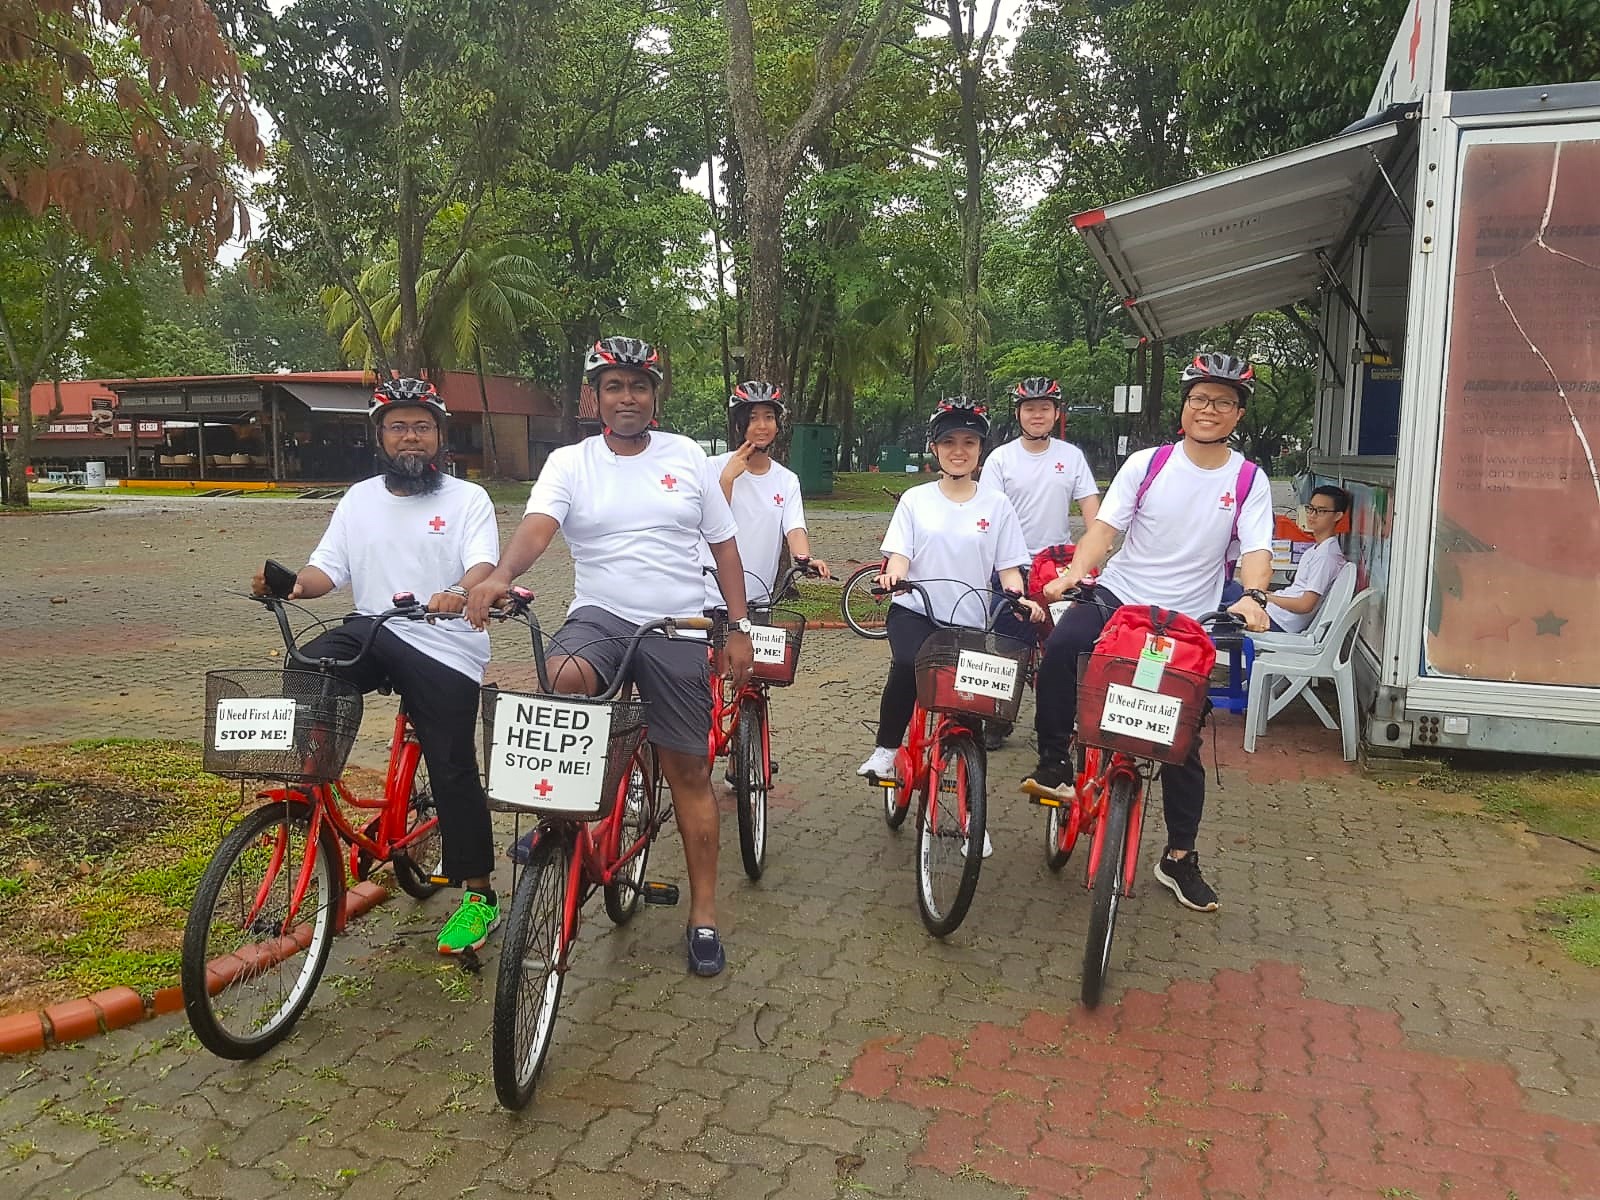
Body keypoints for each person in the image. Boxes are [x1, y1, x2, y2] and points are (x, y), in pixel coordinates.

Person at [465, 336, 754, 978]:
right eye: (615, 386)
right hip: (599, 614)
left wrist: (736, 627)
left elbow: (726, 547)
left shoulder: (687, 457)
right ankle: (563, 814)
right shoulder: (570, 462)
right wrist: (502, 574)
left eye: (640, 386)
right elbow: (538, 528)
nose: (628, 397)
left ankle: (703, 915)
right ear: (593, 397)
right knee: (560, 677)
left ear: (656, 395)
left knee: (690, 773)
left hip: (676, 623)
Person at [251, 377, 502, 956]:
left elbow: (482, 566)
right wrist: (289, 585)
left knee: (452, 765)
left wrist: (456, 591)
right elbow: (326, 574)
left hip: (443, 639)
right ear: (380, 437)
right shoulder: (359, 498)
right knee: (308, 664)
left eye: (421, 426)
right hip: (374, 628)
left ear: (439, 436)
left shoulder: (468, 501)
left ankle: (479, 896)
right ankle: (313, 787)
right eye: (397, 427)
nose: (410, 438)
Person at [1032, 352, 1273, 913]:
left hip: (1187, 622)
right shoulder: (1148, 463)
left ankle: (1179, 859)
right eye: (1199, 399)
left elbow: (1256, 550)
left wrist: (1255, 598)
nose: (1207, 409)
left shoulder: (1248, 479)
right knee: (1065, 647)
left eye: (1222, 402)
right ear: (1184, 406)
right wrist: (1072, 574)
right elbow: (1104, 530)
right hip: (1121, 598)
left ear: (1237, 415)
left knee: (1183, 741)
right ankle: (1052, 763)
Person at [856, 397, 1045, 856]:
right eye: (948, 442)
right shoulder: (916, 501)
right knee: (906, 662)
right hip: (916, 611)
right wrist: (893, 574)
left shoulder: (997, 505)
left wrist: (1021, 598)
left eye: (968, 442)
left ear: (981, 449)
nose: (958, 450)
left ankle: (970, 816)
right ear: (934, 450)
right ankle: (886, 750)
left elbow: (1009, 570)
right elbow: (899, 553)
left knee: (970, 714)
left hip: (970, 619)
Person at [977, 376, 1102, 748]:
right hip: (1011, 566)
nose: (1037, 415)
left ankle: (1062, 721)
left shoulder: (1071, 457)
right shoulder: (1001, 459)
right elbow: (990, 513)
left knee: (1065, 647)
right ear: (1018, 414)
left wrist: (1091, 553)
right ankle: (998, 718)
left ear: (1056, 413)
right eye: (1029, 408)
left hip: (1058, 570)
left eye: (1044, 408)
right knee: (1008, 646)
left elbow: (1092, 510)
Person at [701, 380, 830, 614]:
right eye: (752, 418)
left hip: (759, 600)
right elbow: (710, 521)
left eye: (769, 417)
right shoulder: (712, 467)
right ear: (739, 425)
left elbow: (795, 528)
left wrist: (804, 559)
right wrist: (727, 479)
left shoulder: (787, 479)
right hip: (709, 599)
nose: (762, 426)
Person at [1262, 485, 1349, 634]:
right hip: (1273, 612)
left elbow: (1305, 605)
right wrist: (1269, 597)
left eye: (1321, 511)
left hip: (1279, 621)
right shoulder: (1316, 549)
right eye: (1311, 508)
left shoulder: (1326, 556)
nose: (1312, 515)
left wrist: (1267, 599)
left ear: (1337, 516)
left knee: (1223, 604)